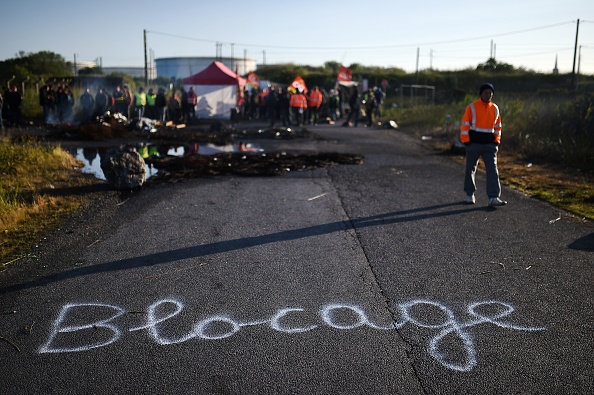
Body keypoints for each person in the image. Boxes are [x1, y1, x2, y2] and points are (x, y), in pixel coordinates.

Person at [460, 83, 507, 207]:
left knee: (493, 170)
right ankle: (469, 194)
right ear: (481, 93)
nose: (489, 95)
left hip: (489, 145)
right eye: (486, 92)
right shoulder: (472, 107)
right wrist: (466, 141)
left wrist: (496, 141)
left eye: (490, 93)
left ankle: (493, 197)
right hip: (473, 144)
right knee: (470, 169)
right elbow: (465, 124)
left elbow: (498, 127)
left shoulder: (495, 108)